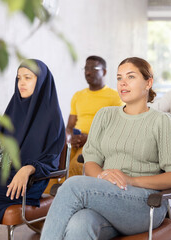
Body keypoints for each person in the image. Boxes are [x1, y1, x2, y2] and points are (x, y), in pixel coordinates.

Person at [40, 57, 171, 239]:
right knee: (81, 223)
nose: (123, 83)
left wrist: (130, 180)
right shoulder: (105, 116)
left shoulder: (162, 121)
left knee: (72, 186)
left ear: (148, 83)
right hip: (106, 197)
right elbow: (91, 162)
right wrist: (103, 176)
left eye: (131, 77)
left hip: (146, 204)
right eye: (119, 78)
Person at [0, 59, 65, 239]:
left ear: (41, 81)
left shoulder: (52, 118)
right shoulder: (13, 110)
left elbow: (51, 159)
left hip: (26, 183)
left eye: (28, 78)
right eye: (19, 78)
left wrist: (28, 168)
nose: (21, 83)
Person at [45, 56, 122, 193]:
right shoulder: (78, 96)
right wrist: (70, 138)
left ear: (104, 72)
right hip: (75, 141)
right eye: (86, 68)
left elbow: (118, 128)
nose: (88, 72)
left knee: (75, 165)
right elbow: (69, 126)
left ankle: (66, 194)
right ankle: (47, 202)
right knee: (54, 164)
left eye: (93, 68)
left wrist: (90, 138)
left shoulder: (115, 97)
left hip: (96, 143)